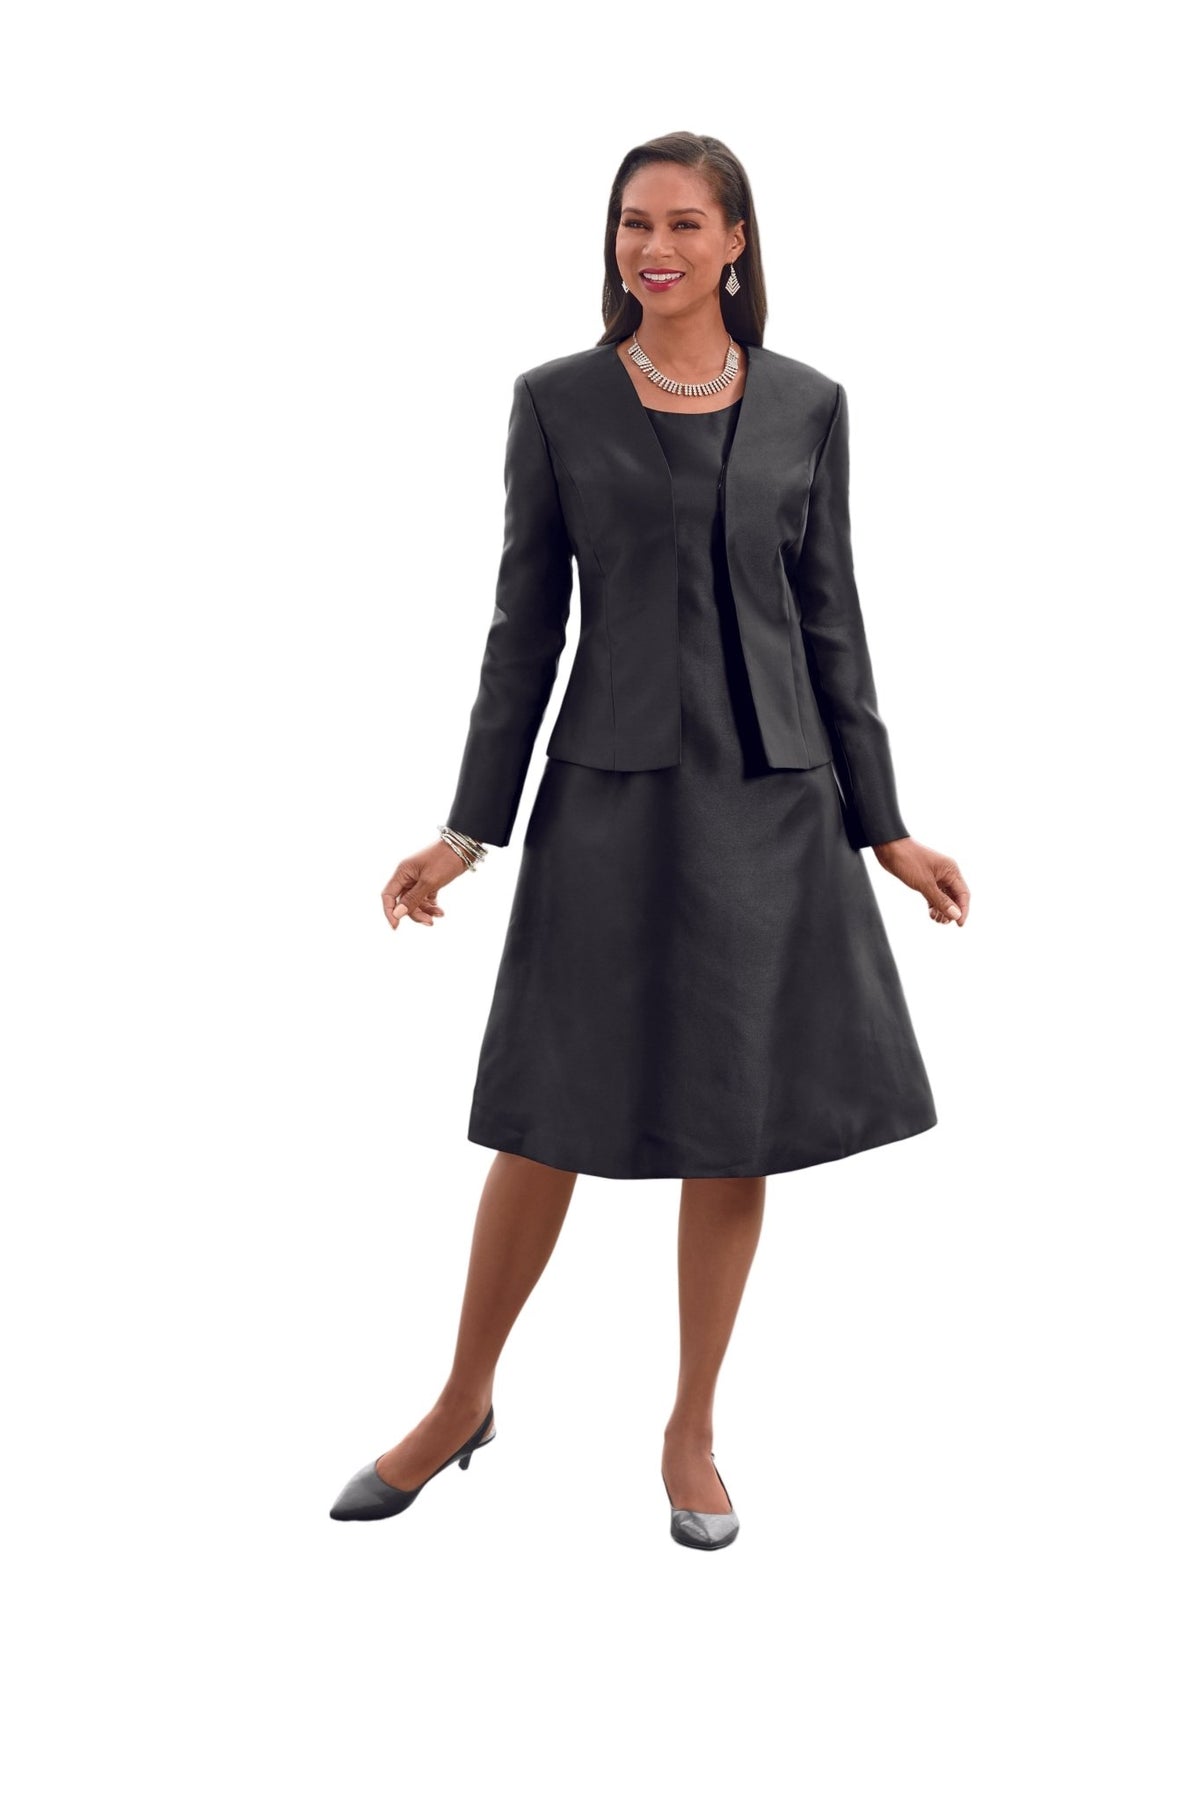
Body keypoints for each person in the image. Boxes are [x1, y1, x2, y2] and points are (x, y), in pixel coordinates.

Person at [330, 131, 970, 1550]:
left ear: (736, 241)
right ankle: (460, 1401)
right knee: (546, 1110)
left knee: (733, 1123)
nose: (655, 247)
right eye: (634, 222)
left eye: (684, 222)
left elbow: (832, 625)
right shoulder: (556, 402)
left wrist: (886, 828)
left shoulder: (808, 405)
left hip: (771, 807)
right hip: (609, 805)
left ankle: (690, 1430)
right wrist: (464, 833)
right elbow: (522, 632)